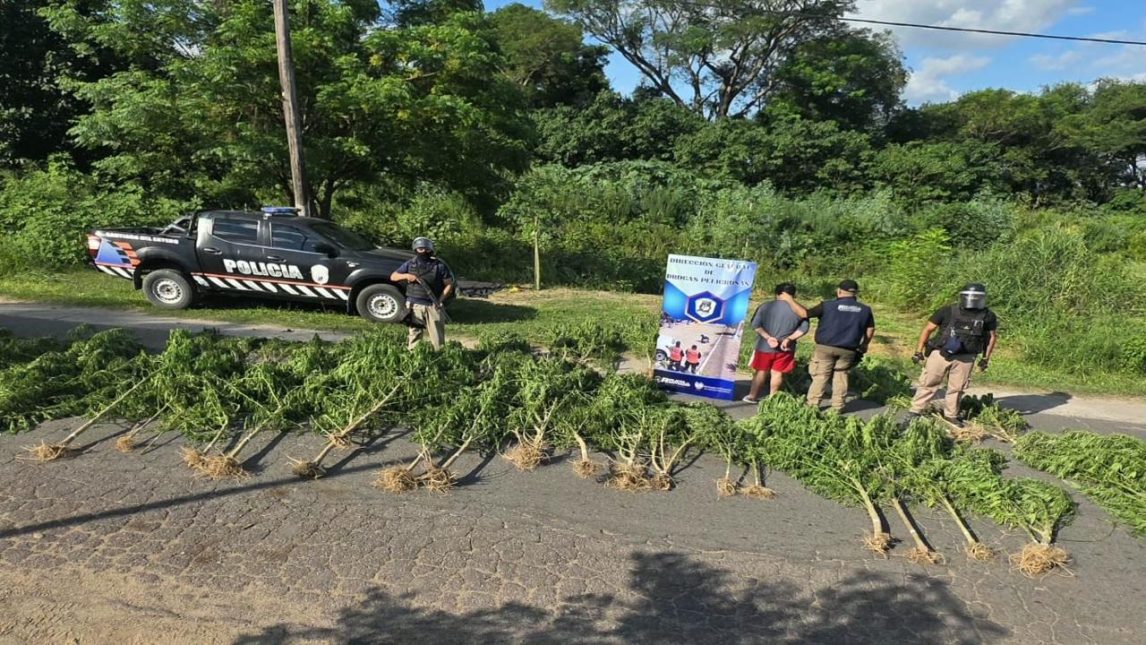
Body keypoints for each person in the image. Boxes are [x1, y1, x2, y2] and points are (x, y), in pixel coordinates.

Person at [903, 283, 998, 427]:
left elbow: (991, 337)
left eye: (976, 297)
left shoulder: (987, 315)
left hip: (966, 357)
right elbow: (928, 329)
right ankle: (915, 411)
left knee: (957, 388)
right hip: (940, 354)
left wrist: (986, 359)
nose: (973, 300)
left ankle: (951, 415)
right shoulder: (948, 311)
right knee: (929, 383)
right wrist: (919, 351)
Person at [787, 279, 875, 413]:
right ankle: (838, 406)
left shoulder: (827, 306)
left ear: (839, 291)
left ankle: (812, 405)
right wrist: (865, 344)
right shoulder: (865, 310)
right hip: (848, 349)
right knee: (841, 375)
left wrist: (789, 299)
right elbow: (870, 329)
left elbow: (805, 314)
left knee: (821, 375)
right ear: (855, 293)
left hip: (825, 347)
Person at [743, 283, 810, 403]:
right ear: (794, 295)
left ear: (777, 293)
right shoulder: (800, 310)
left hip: (764, 346)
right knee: (777, 373)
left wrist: (768, 338)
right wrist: (789, 339)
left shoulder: (765, 306)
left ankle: (752, 396)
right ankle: (772, 398)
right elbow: (803, 329)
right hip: (786, 348)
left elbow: (756, 325)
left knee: (761, 371)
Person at [390, 237, 454, 350]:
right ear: (415, 250)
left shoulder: (439, 266)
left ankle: (440, 358)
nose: (423, 251)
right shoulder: (410, 264)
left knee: (437, 337)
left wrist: (440, 300)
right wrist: (407, 276)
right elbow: (393, 277)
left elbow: (449, 284)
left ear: (431, 250)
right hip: (414, 305)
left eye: (426, 249)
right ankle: (414, 357)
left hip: (433, 305)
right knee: (414, 334)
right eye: (420, 249)